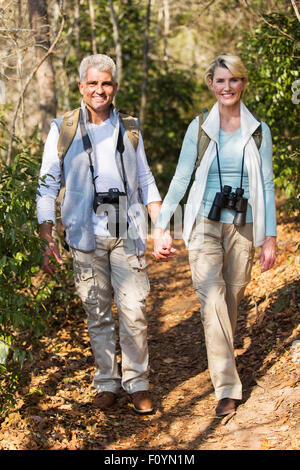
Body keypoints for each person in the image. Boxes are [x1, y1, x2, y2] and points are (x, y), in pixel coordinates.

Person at [37, 53, 164, 414]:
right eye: (92, 83)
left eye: (106, 83)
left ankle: (137, 382)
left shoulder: (129, 126)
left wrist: (162, 226)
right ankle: (107, 382)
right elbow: (47, 185)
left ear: (115, 87)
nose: (99, 90)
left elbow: (145, 179)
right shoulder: (62, 128)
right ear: (81, 86)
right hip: (84, 234)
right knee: (98, 312)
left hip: (127, 229)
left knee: (134, 309)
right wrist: (47, 236)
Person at [153, 54, 277, 416]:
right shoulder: (199, 127)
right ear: (211, 84)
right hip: (204, 222)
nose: (227, 87)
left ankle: (223, 359)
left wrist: (269, 236)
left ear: (243, 83)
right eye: (220, 81)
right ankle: (227, 385)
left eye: (234, 80)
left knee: (232, 296)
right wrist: (163, 225)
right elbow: (180, 177)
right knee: (212, 297)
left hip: (245, 222)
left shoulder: (259, 130)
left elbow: (267, 184)